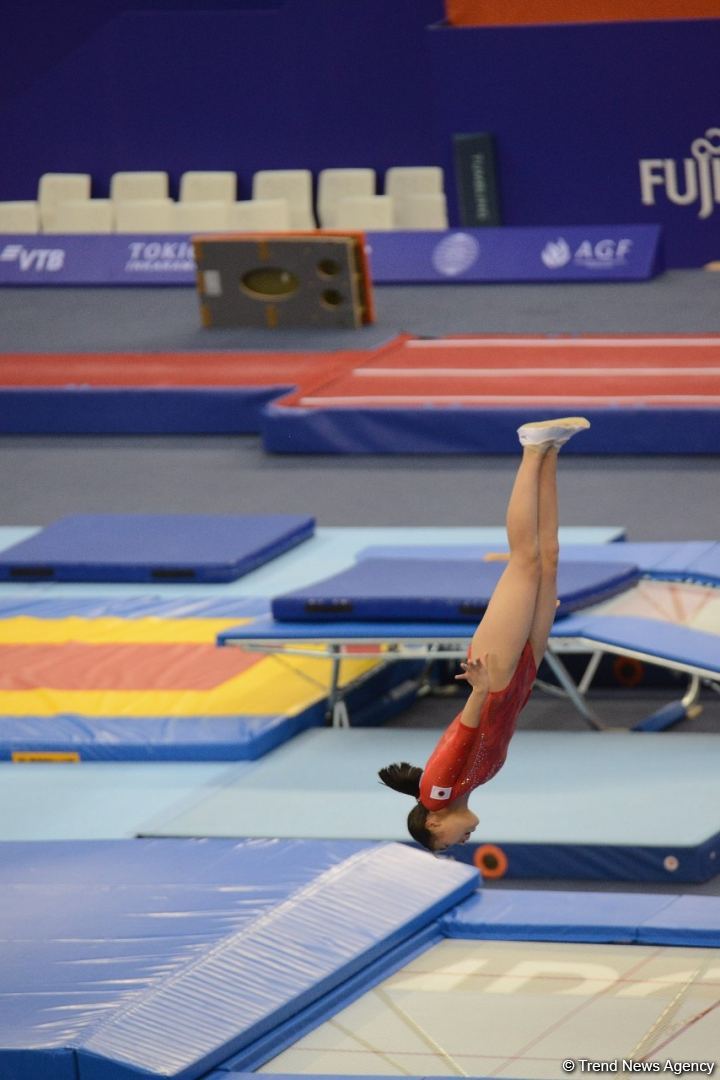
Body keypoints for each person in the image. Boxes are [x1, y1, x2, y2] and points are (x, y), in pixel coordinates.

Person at [378, 417, 591, 853]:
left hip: (493, 678)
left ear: (434, 824)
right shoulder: (468, 787)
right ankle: (551, 452)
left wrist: (479, 692)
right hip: (519, 673)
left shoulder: (436, 792)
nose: (463, 841)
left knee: (525, 561)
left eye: (449, 844)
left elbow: (461, 736)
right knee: (548, 558)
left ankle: (532, 449)